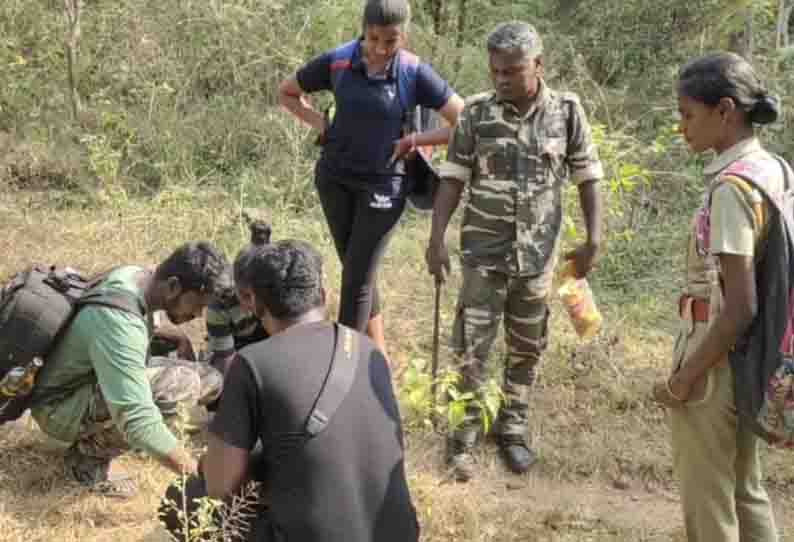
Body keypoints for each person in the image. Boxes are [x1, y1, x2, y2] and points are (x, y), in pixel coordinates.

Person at [426, 21, 605, 482]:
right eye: (496, 71)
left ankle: (513, 428)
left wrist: (593, 239)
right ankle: (462, 436)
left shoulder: (567, 112)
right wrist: (436, 236)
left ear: (538, 66)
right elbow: (453, 176)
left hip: (537, 259)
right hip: (483, 256)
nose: (501, 79)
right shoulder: (478, 113)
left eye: (511, 71)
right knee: (472, 346)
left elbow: (588, 176)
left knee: (527, 347)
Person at [160, 240, 419, 542]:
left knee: (182, 499)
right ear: (323, 295)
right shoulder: (368, 350)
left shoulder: (254, 363)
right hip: (399, 533)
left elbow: (219, 485)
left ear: (255, 303)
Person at [278, 0, 464, 362]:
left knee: (356, 280)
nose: (380, 49)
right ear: (363, 29)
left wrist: (416, 141)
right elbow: (286, 91)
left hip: (383, 187)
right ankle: (376, 354)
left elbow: (465, 122)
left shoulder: (413, 72)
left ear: (403, 37)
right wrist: (321, 124)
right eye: (373, 37)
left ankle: (343, 371)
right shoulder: (338, 61)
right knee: (356, 269)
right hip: (334, 180)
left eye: (390, 41)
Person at [652, 52, 783, 542]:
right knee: (746, 489)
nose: (682, 127)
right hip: (754, 355)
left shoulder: (732, 188)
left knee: (708, 504)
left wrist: (687, 376)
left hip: (716, 358)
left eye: (688, 114)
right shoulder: (773, 170)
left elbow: (740, 303)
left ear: (725, 111)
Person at [30, 242, 231, 498]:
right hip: (58, 407)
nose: (200, 314)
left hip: (85, 378)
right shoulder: (120, 324)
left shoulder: (135, 276)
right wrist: (200, 478)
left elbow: (140, 320)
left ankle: (139, 441)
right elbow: (137, 419)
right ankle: (87, 461)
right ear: (173, 287)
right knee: (183, 384)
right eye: (198, 305)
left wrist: (180, 337)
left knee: (210, 378)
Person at [205, 219, 272, 377]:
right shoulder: (220, 303)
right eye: (245, 296)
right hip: (235, 350)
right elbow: (224, 361)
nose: (253, 304)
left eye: (260, 296)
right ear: (234, 284)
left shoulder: (282, 295)